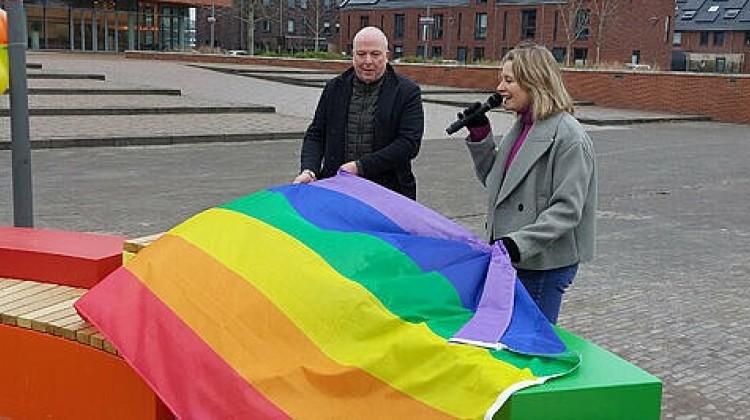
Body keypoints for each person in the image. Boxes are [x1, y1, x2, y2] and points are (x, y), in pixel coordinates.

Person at [459, 43, 597, 324]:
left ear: (534, 82)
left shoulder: (569, 137)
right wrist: (480, 134)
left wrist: (516, 244)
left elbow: (567, 210)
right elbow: (497, 183)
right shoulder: (523, 126)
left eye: (509, 80)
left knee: (531, 346)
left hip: (542, 264)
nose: (500, 87)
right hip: (514, 258)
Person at [293, 26, 424, 200]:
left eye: (375, 54)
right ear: (352, 55)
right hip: (337, 189)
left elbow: (409, 144)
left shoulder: (407, 92)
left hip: (389, 194)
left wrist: (360, 167)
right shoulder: (334, 88)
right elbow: (316, 134)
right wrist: (309, 170)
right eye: (361, 54)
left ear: (387, 55)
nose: (367, 61)